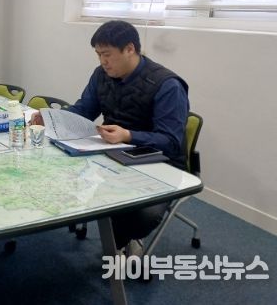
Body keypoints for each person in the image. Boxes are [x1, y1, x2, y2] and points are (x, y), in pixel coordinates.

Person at [32, 20, 189, 253]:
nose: (102, 62)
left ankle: (125, 241)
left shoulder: (167, 85)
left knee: (137, 215)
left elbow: (171, 142)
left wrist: (128, 135)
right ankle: (116, 238)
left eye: (107, 55)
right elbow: (84, 110)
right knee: (54, 175)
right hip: (111, 153)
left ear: (129, 49)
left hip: (158, 163)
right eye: (98, 55)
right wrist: (53, 118)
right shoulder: (102, 75)